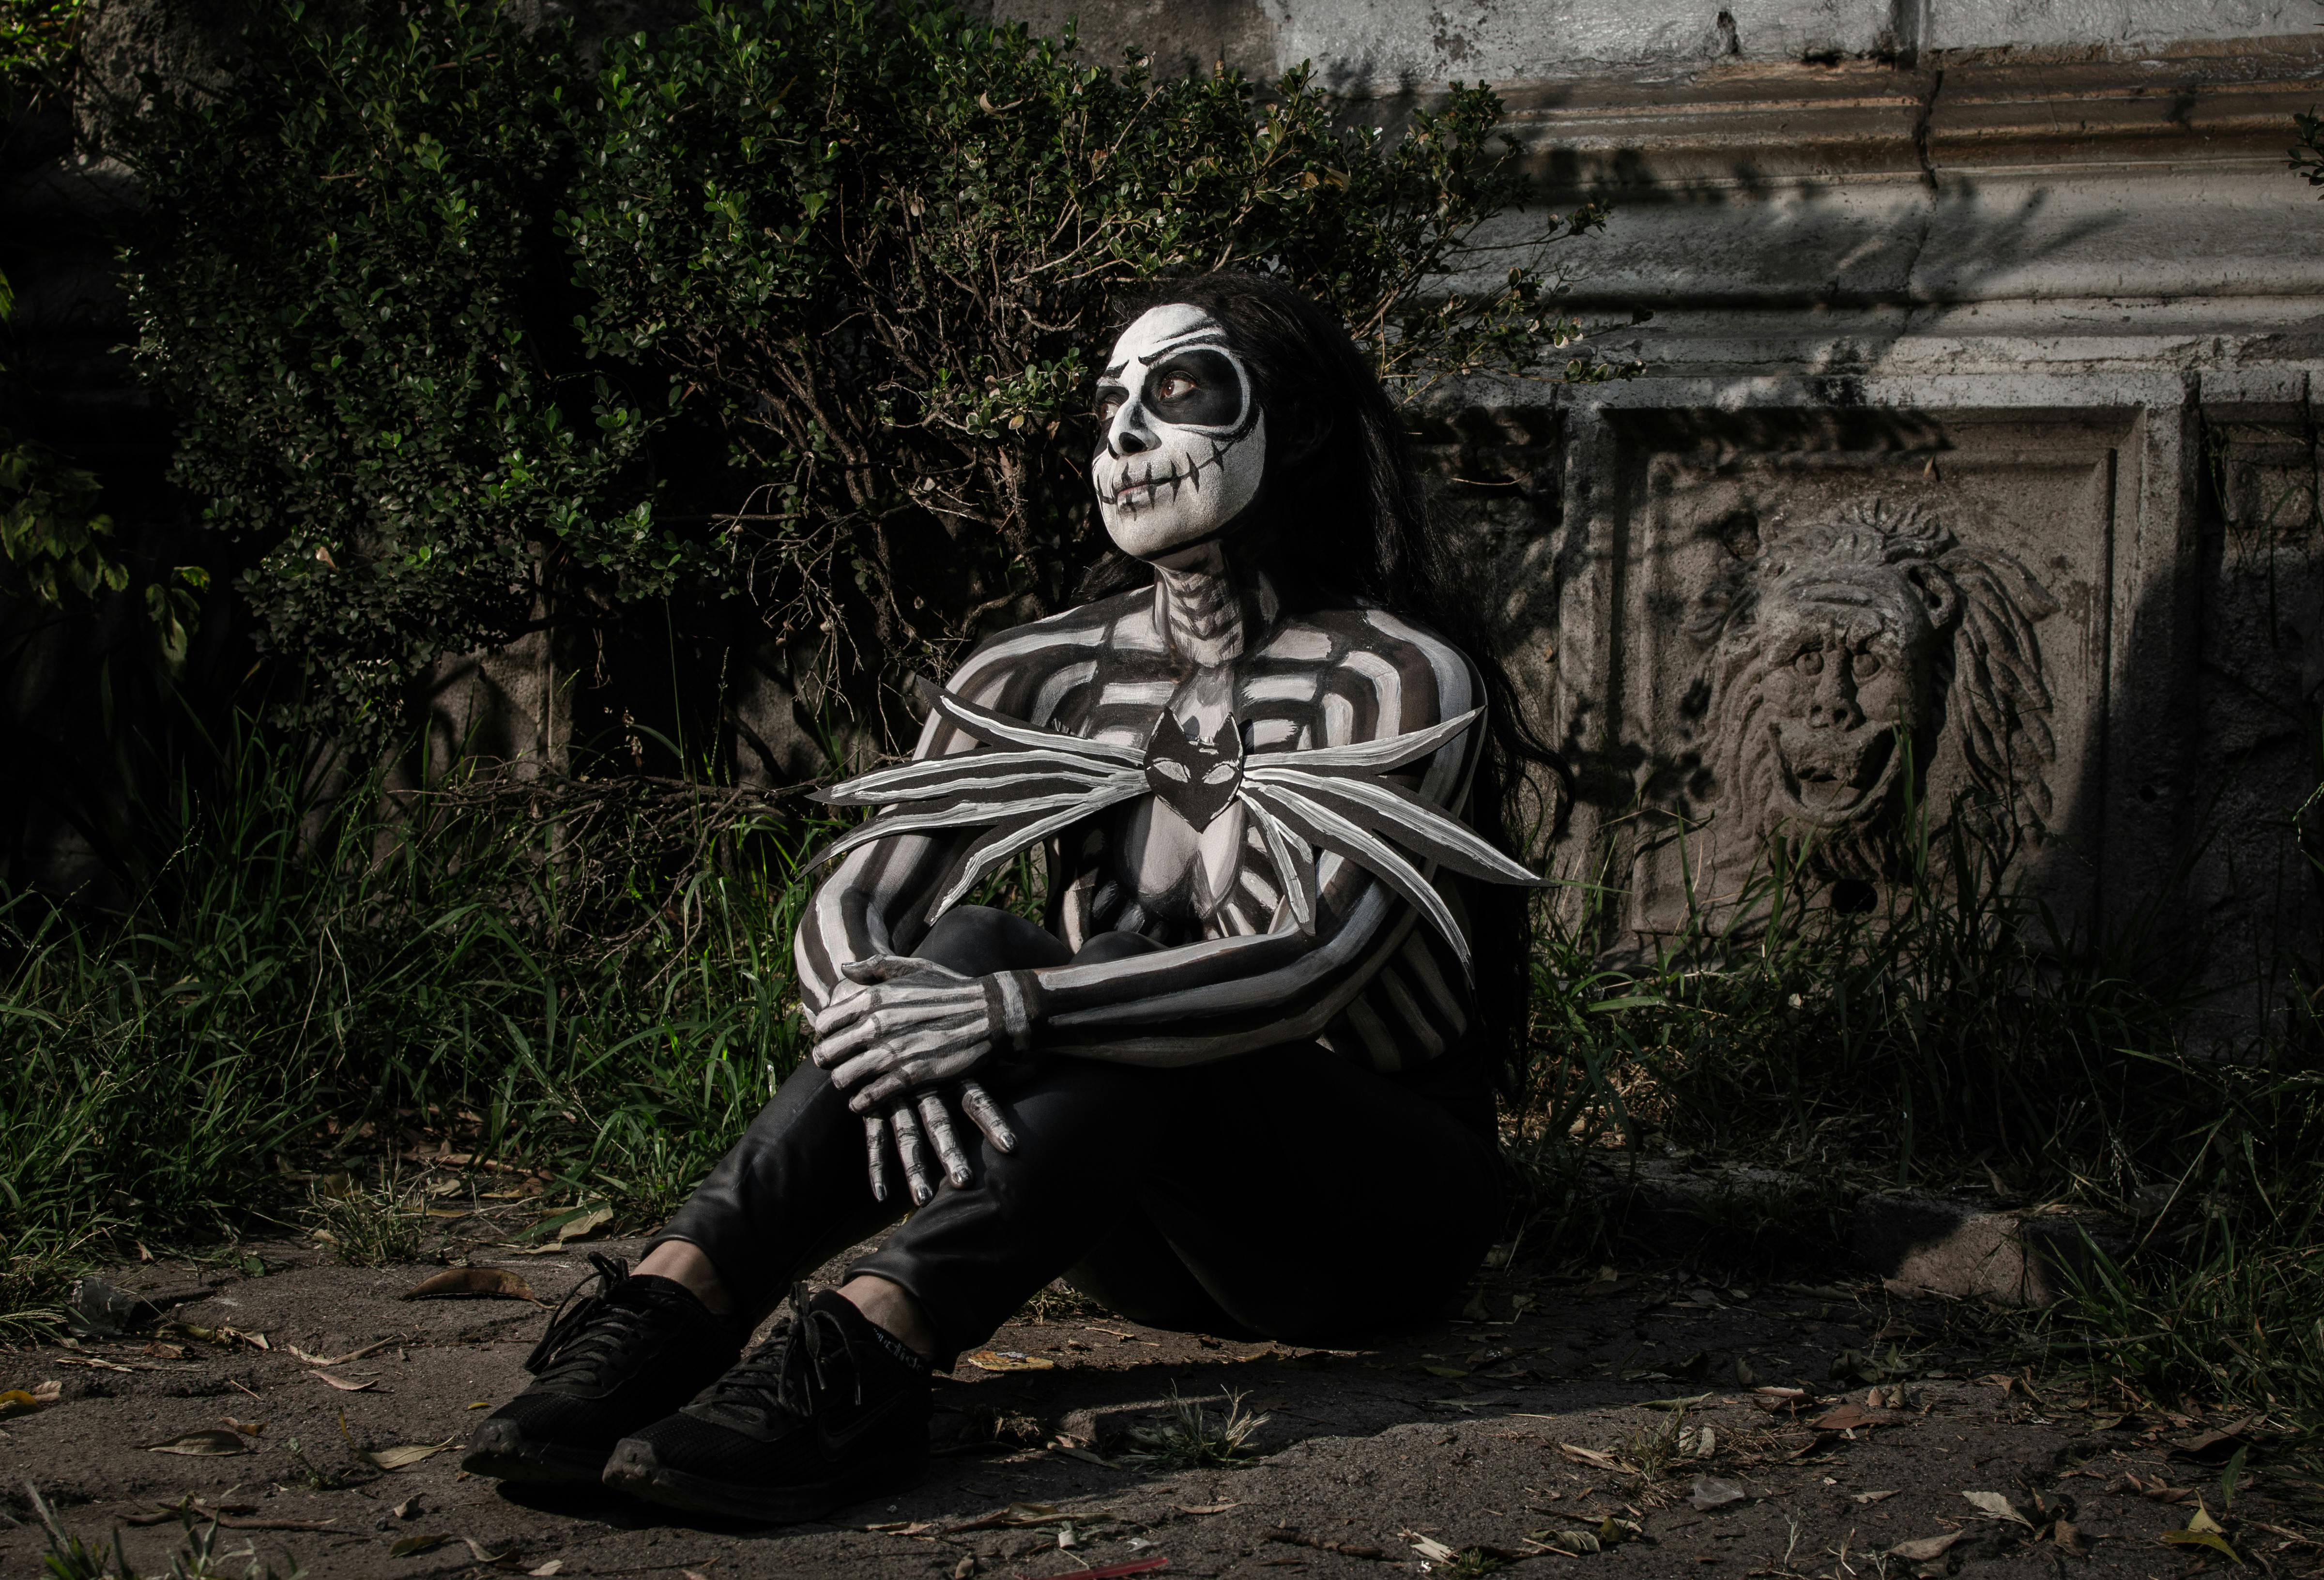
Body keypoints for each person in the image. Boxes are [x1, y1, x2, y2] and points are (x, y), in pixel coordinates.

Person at [461, 273, 1552, 1523]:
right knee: (966, 943)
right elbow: (854, 899)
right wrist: (882, 1018)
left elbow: (1304, 966)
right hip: (1121, 1226)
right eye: (1111, 405)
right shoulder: (1038, 667)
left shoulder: (1398, 675)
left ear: (1295, 427)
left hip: (1359, 1226)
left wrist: (1006, 1015)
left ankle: (865, 1349)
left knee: (1093, 998)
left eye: (1181, 391)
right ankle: (674, 1303)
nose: (1127, 436)